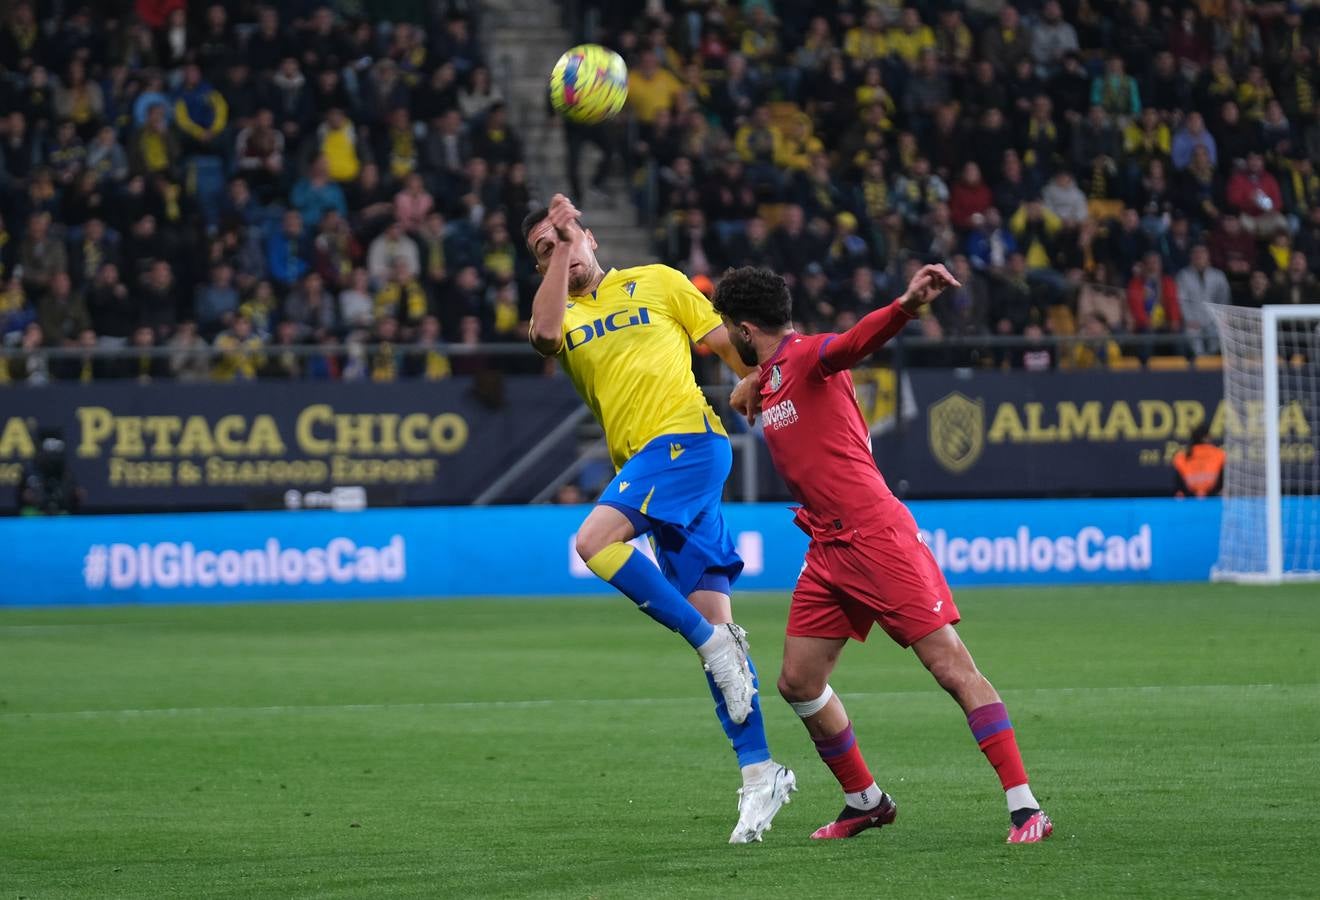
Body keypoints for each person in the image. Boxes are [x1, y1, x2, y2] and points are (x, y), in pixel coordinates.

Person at [713, 264, 1053, 844]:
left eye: (725, 327)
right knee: (797, 681)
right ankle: (865, 801)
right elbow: (766, 379)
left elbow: (853, 343)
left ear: (745, 328)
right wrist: (751, 383)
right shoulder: (770, 376)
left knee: (950, 667)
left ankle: (1026, 808)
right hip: (826, 546)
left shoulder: (807, 356)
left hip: (876, 535)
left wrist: (907, 304)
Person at [522, 194, 793, 843]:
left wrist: (764, 380)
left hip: (690, 442)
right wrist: (555, 249)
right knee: (721, 628)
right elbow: (543, 336)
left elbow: (730, 346)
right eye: (542, 249)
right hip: (653, 469)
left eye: (565, 236)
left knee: (593, 543)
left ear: (591, 232)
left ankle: (708, 642)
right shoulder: (560, 310)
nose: (559, 249)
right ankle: (762, 776)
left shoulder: (660, 281)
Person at [1173, 425, 1225, 498]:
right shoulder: (1219, 454)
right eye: (1209, 436)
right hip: (1213, 500)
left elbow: (1179, 488)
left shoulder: (1181, 457)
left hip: (1189, 501)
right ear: (1205, 438)